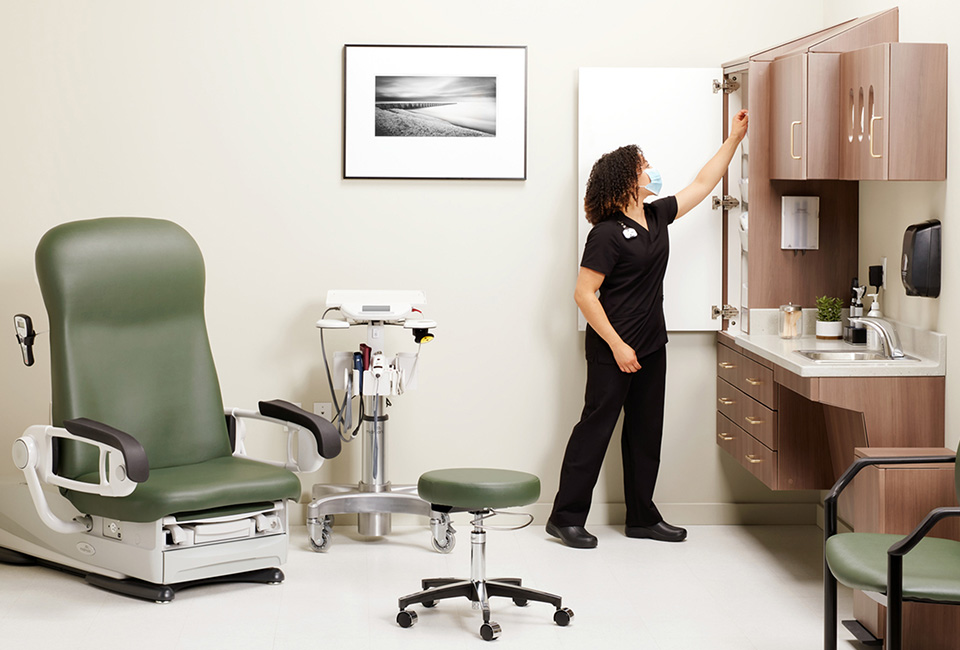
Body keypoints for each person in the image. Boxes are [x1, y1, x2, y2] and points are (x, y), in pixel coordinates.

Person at [547, 109, 749, 549]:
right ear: (625, 179)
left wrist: (733, 139)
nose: (650, 171)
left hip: (652, 345)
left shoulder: (656, 216)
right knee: (595, 430)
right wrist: (618, 346)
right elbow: (584, 295)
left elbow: (702, 184)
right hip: (612, 348)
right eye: (643, 167)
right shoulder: (605, 234)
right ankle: (564, 517)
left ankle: (641, 516)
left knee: (645, 432)